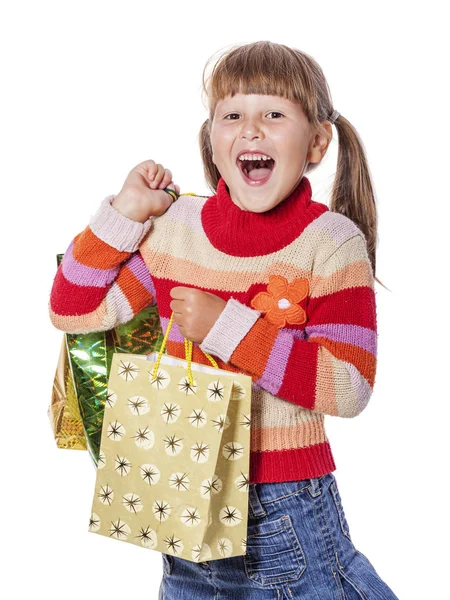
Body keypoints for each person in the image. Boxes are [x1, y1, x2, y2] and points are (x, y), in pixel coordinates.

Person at [49, 41, 399, 599]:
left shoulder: (330, 241)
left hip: (283, 507)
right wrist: (123, 214)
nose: (251, 130)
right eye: (232, 115)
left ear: (317, 141)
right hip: (181, 495)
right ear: (212, 140)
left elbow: (349, 386)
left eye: (274, 114)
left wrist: (228, 328)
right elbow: (73, 309)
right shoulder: (174, 229)